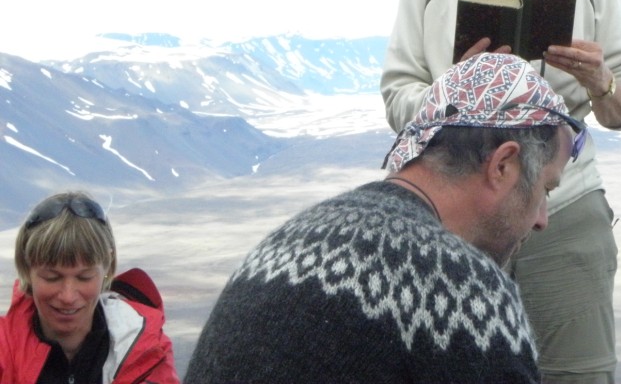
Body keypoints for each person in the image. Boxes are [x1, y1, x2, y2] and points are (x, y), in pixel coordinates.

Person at [381, 0, 621, 383]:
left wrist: (600, 81)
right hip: (461, 216)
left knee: (578, 374)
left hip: (564, 208)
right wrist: (453, 91)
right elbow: (398, 96)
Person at [185, 52, 584, 384]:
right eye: (545, 190)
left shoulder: (281, 248)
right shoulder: (465, 296)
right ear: (503, 165)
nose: (541, 219)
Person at [0, 191, 180, 384]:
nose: (68, 296)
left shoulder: (148, 350)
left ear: (107, 268)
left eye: (84, 277)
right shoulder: (4, 353)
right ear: (26, 270)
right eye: (52, 278)